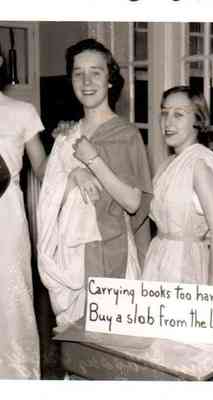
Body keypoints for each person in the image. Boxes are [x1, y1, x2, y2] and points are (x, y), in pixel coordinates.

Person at [37, 39, 152, 329]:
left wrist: (93, 161)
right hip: (71, 255)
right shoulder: (67, 135)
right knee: (76, 344)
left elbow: (133, 203)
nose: (86, 81)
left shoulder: (127, 135)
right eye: (78, 73)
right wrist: (74, 176)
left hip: (112, 251)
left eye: (95, 72)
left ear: (110, 79)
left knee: (109, 341)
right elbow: (48, 195)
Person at [142, 86, 213, 285]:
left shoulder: (200, 164)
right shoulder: (168, 163)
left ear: (198, 120)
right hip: (159, 260)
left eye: (178, 115)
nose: (168, 122)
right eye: (164, 113)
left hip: (186, 267)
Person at [0, 48, 47, 378]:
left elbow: (43, 168)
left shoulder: (22, 111)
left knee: (11, 296)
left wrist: (71, 149)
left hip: (7, 216)